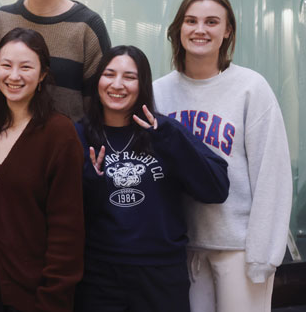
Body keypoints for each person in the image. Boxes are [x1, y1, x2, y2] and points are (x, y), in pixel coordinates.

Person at [153, 0, 292, 312]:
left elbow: (272, 174)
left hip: (239, 248)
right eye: (191, 21)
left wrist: (263, 256)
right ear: (179, 28)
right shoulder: (158, 91)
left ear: (227, 31)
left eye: (211, 22)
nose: (200, 29)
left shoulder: (250, 88)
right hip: (183, 248)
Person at [74, 45, 229, 312]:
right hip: (99, 273)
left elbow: (216, 189)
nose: (117, 84)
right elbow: (67, 213)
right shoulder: (78, 136)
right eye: (109, 74)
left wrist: (170, 138)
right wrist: (91, 180)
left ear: (143, 84)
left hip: (161, 273)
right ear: (97, 80)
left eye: (130, 77)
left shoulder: (165, 131)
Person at [0, 27, 84, 312]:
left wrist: (53, 298)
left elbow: (67, 229)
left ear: (43, 74)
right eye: (6, 65)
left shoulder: (60, 133)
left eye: (26, 67)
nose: (14, 76)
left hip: (35, 293)